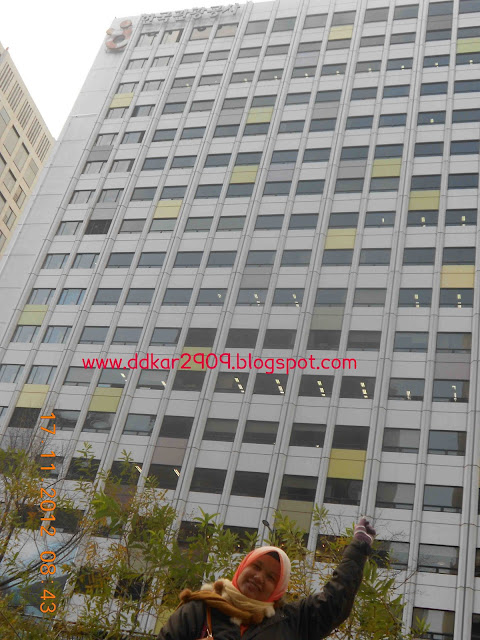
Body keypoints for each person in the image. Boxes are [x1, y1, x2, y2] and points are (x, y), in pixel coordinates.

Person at [156, 517, 376, 639]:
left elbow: (335, 601)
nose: (259, 577)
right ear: (242, 567)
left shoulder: (292, 622)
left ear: (278, 589)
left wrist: (358, 549)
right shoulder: (200, 609)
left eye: (271, 577)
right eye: (256, 566)